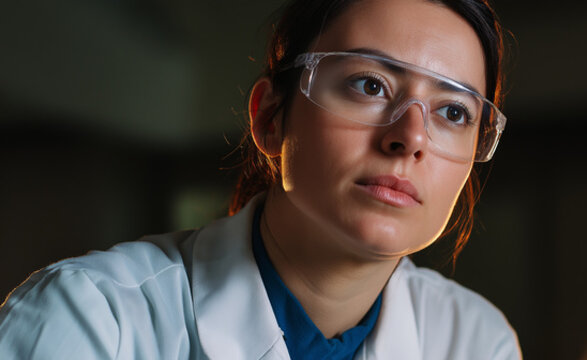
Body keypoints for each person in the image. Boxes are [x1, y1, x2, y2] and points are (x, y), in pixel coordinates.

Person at [0, 0, 520, 358]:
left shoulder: (475, 341)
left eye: (453, 113)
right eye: (369, 84)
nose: (411, 137)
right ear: (270, 117)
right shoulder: (90, 320)